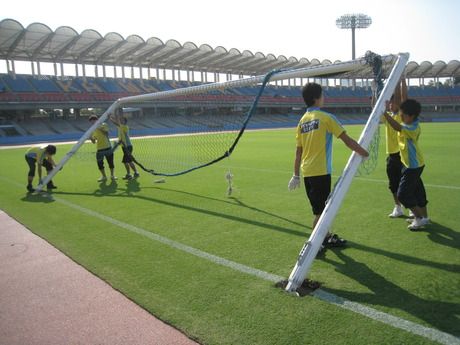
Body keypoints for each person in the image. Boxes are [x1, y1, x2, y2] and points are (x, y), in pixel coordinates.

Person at [288, 82, 369, 247]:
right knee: (321, 212)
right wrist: (363, 152)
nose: (324, 98)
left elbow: (298, 152)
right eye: (322, 95)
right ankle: (312, 247)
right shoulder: (326, 118)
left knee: (321, 208)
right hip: (320, 172)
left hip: (307, 173)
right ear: (316, 98)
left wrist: (296, 175)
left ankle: (327, 237)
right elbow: (346, 140)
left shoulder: (301, 122)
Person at [383, 99, 429, 231]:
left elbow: (397, 127)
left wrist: (385, 114)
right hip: (414, 164)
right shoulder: (412, 123)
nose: (401, 117)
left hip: (413, 166)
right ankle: (423, 217)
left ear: (411, 116)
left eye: (403, 115)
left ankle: (419, 218)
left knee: (403, 194)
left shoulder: (412, 128)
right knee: (418, 191)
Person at [382, 79, 410, 218]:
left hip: (402, 154)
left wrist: (400, 79)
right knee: (393, 184)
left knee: (407, 183)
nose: (392, 104)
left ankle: (411, 207)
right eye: (390, 102)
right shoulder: (388, 116)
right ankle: (398, 207)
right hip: (391, 155)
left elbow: (402, 97)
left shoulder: (401, 115)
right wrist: (375, 91)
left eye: (394, 102)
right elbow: (375, 108)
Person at [110, 109, 139, 180]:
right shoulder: (120, 127)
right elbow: (117, 123)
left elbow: (116, 122)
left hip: (127, 147)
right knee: (129, 161)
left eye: (122, 120)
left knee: (126, 161)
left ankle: (129, 174)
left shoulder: (124, 127)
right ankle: (135, 173)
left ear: (125, 121)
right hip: (125, 147)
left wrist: (111, 117)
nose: (120, 121)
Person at [89, 115, 117, 182]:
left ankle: (112, 175)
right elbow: (94, 141)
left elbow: (106, 133)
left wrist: (98, 127)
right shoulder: (93, 129)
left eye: (93, 122)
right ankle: (104, 176)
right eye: (91, 122)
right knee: (100, 163)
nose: (92, 123)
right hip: (99, 149)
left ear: (97, 120)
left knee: (110, 163)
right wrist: (90, 137)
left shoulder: (104, 124)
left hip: (108, 147)